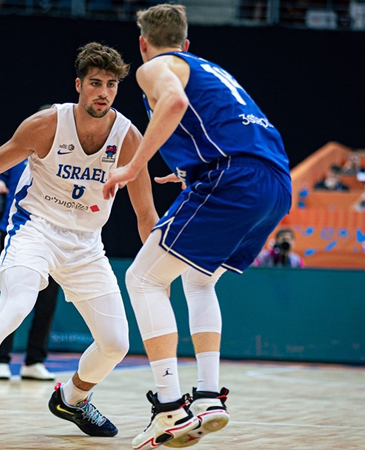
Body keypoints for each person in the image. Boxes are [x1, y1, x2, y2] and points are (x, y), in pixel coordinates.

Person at [0, 42, 158, 443]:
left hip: (87, 243)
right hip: (34, 228)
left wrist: (157, 266)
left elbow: (146, 214)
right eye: (95, 83)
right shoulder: (46, 124)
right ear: (79, 84)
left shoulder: (128, 138)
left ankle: (72, 399)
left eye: (111, 85)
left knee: (116, 344)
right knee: (15, 307)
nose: (103, 92)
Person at [103, 4, 292, 448]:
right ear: (187, 43)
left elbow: (174, 102)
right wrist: (190, 170)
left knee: (142, 279)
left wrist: (133, 166)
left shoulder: (156, 68)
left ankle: (169, 408)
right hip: (275, 183)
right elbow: (223, 129)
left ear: (142, 44)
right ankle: (208, 397)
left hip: (234, 178)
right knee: (199, 280)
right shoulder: (210, 69)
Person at [0, 159, 58, 382]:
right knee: (12, 300)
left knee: (46, 303)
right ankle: (1, 361)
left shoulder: (63, 156)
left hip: (53, 235)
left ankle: (34, 361)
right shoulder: (17, 155)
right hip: (16, 232)